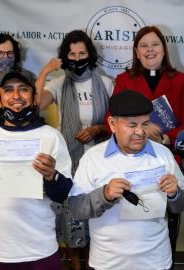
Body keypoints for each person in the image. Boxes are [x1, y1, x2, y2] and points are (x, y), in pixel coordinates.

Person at [0, 67, 73, 270]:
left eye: (23, 89)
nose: (16, 96)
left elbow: (63, 194)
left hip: (39, 249)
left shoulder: (51, 137)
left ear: (34, 96)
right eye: (8, 90)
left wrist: (52, 176)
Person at [67, 90, 184, 270]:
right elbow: (76, 208)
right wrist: (104, 195)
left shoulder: (163, 154)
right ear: (112, 124)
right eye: (132, 125)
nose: (140, 132)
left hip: (156, 261)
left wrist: (175, 194)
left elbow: (181, 205)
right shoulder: (93, 158)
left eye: (146, 124)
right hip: (107, 263)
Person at [36, 29, 113, 269]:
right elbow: (36, 105)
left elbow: (115, 121)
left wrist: (98, 128)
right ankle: (77, 266)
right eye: (72, 53)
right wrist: (46, 71)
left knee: (96, 213)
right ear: (64, 56)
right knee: (71, 214)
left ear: (90, 54)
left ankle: (93, 263)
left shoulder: (106, 83)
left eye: (82, 53)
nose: (77, 58)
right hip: (69, 160)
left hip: (100, 161)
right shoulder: (59, 83)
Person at [112, 26, 184, 150]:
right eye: (144, 45)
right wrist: (139, 128)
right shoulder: (123, 80)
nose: (150, 49)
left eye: (155, 44)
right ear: (137, 53)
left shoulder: (181, 81)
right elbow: (111, 117)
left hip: (169, 152)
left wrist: (165, 138)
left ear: (163, 50)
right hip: (132, 152)